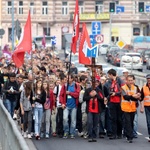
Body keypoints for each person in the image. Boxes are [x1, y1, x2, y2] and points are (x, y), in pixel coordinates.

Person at [104, 69, 124, 139]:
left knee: (119, 118)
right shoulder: (109, 82)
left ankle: (119, 133)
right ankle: (113, 133)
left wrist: (116, 93)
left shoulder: (120, 81)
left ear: (111, 74)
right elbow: (108, 91)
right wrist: (107, 97)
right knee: (113, 118)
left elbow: (123, 91)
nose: (108, 76)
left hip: (119, 102)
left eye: (109, 75)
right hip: (112, 102)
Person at [59, 74, 80, 139]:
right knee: (65, 119)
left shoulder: (76, 85)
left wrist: (70, 93)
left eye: (69, 78)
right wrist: (62, 103)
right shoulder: (65, 86)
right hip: (66, 105)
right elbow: (61, 95)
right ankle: (66, 131)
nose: (67, 80)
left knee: (73, 120)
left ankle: (72, 133)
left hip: (73, 106)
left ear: (72, 79)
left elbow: (77, 94)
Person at [121, 75, 140, 143]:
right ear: (126, 81)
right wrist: (133, 96)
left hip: (133, 108)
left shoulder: (135, 88)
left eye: (131, 80)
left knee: (131, 122)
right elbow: (126, 97)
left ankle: (128, 134)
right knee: (128, 122)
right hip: (125, 108)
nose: (130, 82)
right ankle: (129, 137)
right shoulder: (123, 88)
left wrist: (137, 96)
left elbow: (137, 96)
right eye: (129, 80)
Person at [140, 74, 150, 142]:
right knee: (149, 122)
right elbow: (141, 98)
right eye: (148, 79)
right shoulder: (144, 87)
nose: (149, 80)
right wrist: (142, 107)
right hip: (147, 107)